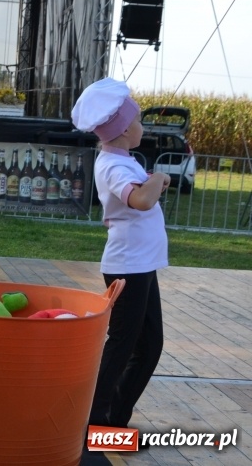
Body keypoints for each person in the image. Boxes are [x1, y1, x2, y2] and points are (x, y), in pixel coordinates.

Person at [71, 77, 167, 430]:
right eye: (139, 118)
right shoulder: (114, 165)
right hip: (130, 267)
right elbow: (141, 200)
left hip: (140, 265)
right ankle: (94, 421)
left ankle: (115, 419)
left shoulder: (120, 161)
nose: (142, 124)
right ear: (126, 128)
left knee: (148, 346)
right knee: (125, 346)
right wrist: (159, 179)